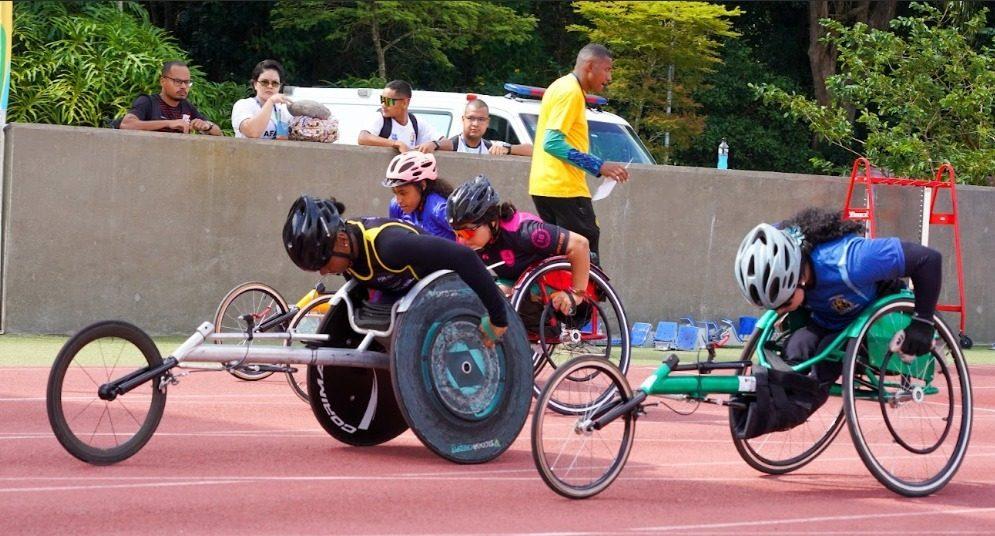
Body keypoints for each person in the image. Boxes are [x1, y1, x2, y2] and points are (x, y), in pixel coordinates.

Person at [731, 207, 943, 437]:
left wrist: (923, 321)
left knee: (820, 366)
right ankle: (764, 407)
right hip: (826, 319)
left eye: (783, 301)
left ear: (799, 277)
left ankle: (783, 409)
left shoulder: (852, 260)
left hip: (871, 319)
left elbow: (928, 259)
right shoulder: (783, 245)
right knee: (796, 348)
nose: (778, 310)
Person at [283, 195, 508, 346]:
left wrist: (498, 319)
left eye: (323, 263)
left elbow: (465, 256)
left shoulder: (390, 245)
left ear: (341, 240)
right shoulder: (348, 253)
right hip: (407, 299)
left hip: (451, 295)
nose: (323, 272)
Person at [528, 43, 629, 264]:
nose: (609, 77)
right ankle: (580, 299)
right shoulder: (570, 92)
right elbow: (552, 143)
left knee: (559, 257)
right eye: (607, 69)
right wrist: (598, 165)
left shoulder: (559, 86)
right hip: (564, 188)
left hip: (544, 186)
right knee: (586, 251)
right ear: (590, 66)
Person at [446, 175, 590, 317]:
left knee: (493, 294)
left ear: (491, 221)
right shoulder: (477, 242)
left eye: (466, 232)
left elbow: (580, 245)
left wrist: (576, 293)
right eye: (457, 233)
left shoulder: (526, 232)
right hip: (519, 286)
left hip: (564, 293)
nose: (462, 240)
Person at [120, 61, 222, 135]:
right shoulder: (147, 102)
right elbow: (126, 125)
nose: (183, 86)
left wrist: (207, 126)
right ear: (163, 81)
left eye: (186, 82)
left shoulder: (187, 107)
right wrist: (168, 123)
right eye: (177, 81)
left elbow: (219, 134)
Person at [382, 151, 455, 240]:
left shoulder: (439, 210)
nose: (399, 200)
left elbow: (470, 239)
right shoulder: (395, 206)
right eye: (395, 193)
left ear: (422, 185)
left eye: (403, 193)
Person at [358, 80, 442, 153]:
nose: (383, 105)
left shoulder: (415, 122)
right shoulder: (380, 118)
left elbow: (448, 143)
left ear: (405, 103)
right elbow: (363, 138)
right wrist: (396, 144)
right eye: (382, 99)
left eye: (388, 101)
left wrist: (434, 144)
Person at [436, 99, 532, 156]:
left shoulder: (491, 146)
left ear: (487, 122)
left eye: (481, 119)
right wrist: (434, 144)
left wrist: (508, 149)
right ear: (463, 119)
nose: (475, 124)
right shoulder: (452, 145)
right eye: (470, 118)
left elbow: (532, 151)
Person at [231, 59, 293, 139]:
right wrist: (270, 102)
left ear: (280, 87)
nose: (270, 86)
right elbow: (252, 132)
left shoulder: (283, 109)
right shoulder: (243, 105)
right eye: (264, 82)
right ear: (255, 84)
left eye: (275, 83)